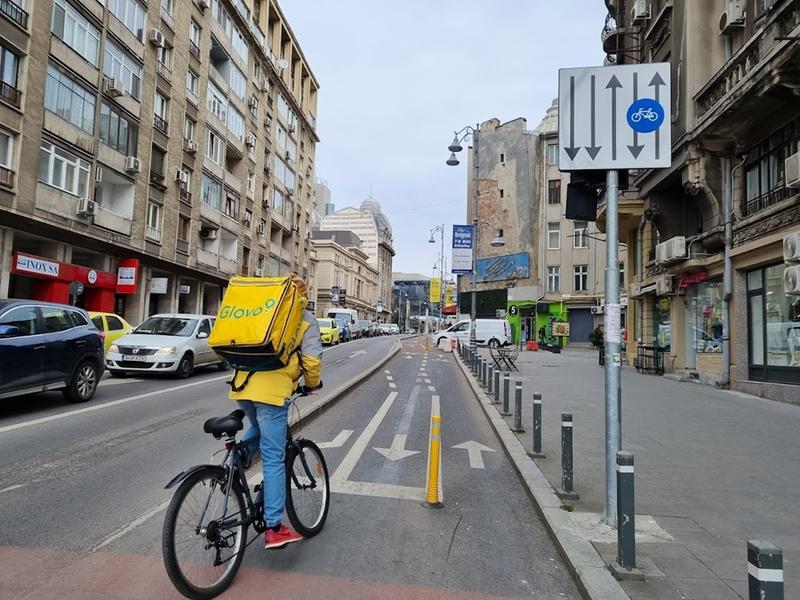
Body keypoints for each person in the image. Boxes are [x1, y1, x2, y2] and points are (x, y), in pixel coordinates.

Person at [228, 274, 323, 550]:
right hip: (271, 394)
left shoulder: (266, 311)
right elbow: (311, 360)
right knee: (273, 458)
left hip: (242, 387)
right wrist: (312, 384)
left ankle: (235, 465)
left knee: (257, 428)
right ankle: (274, 527)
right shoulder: (304, 318)